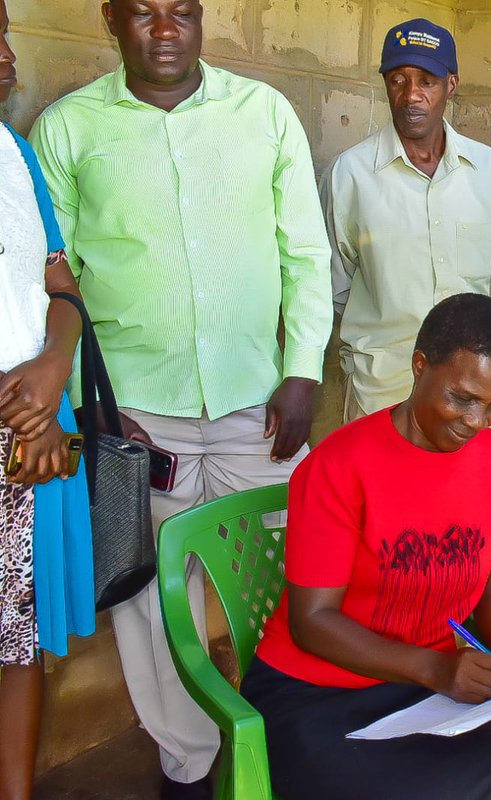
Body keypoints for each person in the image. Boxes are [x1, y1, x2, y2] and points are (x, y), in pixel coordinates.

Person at [29, 1, 332, 797]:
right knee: (154, 601)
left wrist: (301, 369)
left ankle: (291, 737)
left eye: (182, 12)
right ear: (111, 21)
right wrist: (95, 406)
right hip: (136, 417)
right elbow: (53, 276)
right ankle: (191, 763)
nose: (165, 29)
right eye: (144, 13)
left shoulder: (262, 113)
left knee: (289, 574)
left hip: (258, 410)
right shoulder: (68, 129)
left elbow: (304, 249)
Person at [241, 293, 491, 800]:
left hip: (426, 688)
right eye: (463, 397)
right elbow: (312, 621)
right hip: (318, 691)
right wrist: (434, 668)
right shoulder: (340, 466)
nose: (476, 421)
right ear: (419, 365)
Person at [0, 2, 94, 796]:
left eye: (2, 33)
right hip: (14, 421)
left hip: (26, 443)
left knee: (17, 642)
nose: (7, 58)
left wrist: (51, 372)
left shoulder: (14, 155)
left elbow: (59, 286)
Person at [326, 18, 491, 421]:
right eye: (398, 80)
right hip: (383, 391)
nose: (411, 96)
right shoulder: (351, 174)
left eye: (427, 81)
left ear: (451, 86)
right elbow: (337, 286)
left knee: (466, 489)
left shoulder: (486, 169)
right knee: (379, 487)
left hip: (471, 395)